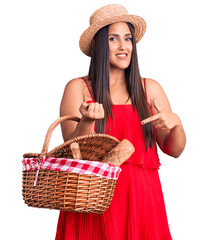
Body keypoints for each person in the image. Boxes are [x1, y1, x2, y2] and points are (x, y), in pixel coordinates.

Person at [55, 4, 186, 240]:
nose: (123, 46)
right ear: (97, 44)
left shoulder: (150, 89)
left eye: (128, 39)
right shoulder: (78, 88)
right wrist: (86, 120)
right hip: (92, 198)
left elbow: (174, 150)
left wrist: (176, 125)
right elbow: (71, 150)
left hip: (141, 199)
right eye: (113, 39)